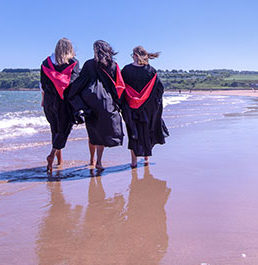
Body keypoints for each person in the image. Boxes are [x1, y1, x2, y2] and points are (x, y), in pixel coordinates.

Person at [67, 40, 125, 170]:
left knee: (92, 132)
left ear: (95, 50)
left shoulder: (89, 64)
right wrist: (117, 103)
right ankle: (99, 161)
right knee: (102, 132)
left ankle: (92, 160)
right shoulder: (113, 65)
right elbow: (118, 86)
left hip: (90, 102)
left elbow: (79, 82)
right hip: (106, 103)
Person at [120, 46, 168, 168]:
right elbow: (160, 89)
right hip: (148, 108)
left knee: (133, 131)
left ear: (135, 55)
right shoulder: (151, 70)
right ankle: (146, 157)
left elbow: (120, 87)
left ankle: (134, 161)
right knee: (147, 130)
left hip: (131, 107)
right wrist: (153, 103)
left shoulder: (126, 70)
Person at [40, 38, 81, 173]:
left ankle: (60, 160)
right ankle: (52, 154)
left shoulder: (46, 63)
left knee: (55, 129)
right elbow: (75, 84)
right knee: (64, 130)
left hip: (49, 101)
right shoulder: (73, 63)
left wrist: (43, 100)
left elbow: (43, 85)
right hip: (64, 100)